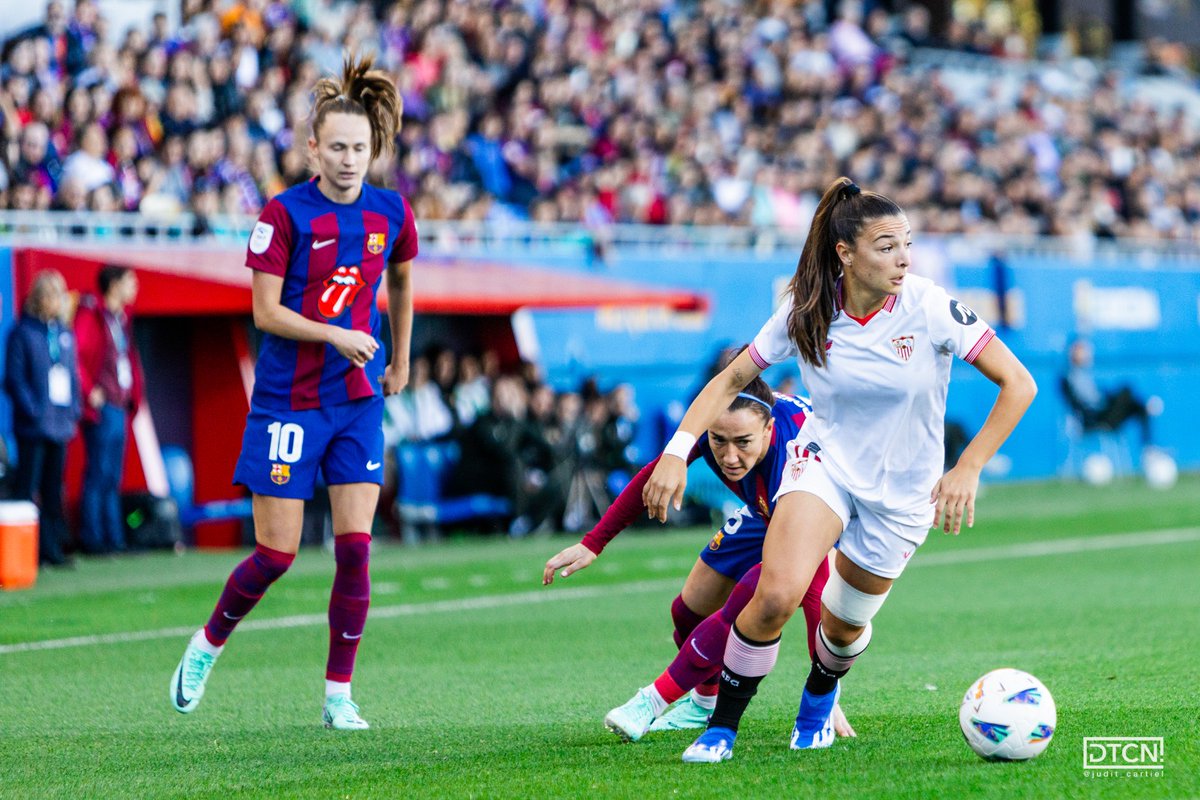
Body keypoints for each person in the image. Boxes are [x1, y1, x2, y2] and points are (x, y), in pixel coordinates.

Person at [642, 177, 1036, 763]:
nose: (903, 258)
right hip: (823, 467)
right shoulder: (806, 310)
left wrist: (968, 466)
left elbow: (1018, 383)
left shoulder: (931, 307)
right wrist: (677, 450)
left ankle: (820, 697)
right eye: (885, 245)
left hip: (904, 495)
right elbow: (729, 380)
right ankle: (721, 728)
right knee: (775, 594)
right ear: (845, 254)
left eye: (906, 243)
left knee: (842, 630)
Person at [169, 55, 415, 731]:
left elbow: (401, 280)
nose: (348, 159)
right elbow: (266, 313)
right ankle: (208, 642)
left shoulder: (391, 210)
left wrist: (402, 359)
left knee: (355, 548)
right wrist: (338, 335)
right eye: (336, 147)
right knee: (276, 555)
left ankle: (339, 694)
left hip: (358, 401)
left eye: (359, 148)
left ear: (374, 149)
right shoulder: (282, 215)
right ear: (313, 147)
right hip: (288, 403)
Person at [543, 360, 852, 742]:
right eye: (719, 440)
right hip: (763, 510)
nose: (729, 456)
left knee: (744, 604)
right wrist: (593, 543)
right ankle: (704, 702)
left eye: (743, 443)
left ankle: (649, 703)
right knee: (687, 609)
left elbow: (813, 589)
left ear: (769, 428)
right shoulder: (717, 426)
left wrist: (824, 688)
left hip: (814, 514)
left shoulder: (797, 456)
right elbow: (654, 474)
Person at [4, 270, 82, 566]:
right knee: (27, 488)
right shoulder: (22, 332)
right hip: (33, 427)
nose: (59, 301)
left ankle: (52, 548)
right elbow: (14, 378)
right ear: (40, 298)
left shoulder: (63, 332)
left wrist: (73, 408)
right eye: (53, 295)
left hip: (59, 424)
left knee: (53, 491)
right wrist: (33, 410)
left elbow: (72, 375)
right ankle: (24, 552)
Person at [74, 264, 143, 555]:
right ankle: (93, 538)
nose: (135, 287)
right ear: (113, 284)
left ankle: (113, 538)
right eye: (130, 281)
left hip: (119, 404)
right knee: (99, 473)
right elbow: (76, 354)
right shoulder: (93, 314)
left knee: (113, 475)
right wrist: (89, 392)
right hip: (103, 408)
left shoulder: (120, 318)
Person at [1060, 337, 1159, 450]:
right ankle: (1147, 407)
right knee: (1126, 390)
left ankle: (1149, 448)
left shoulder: (1087, 376)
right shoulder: (1068, 377)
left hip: (1105, 411)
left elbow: (1101, 396)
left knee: (1139, 407)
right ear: (1072, 353)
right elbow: (1077, 404)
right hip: (1095, 418)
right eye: (1081, 351)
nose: (1086, 354)